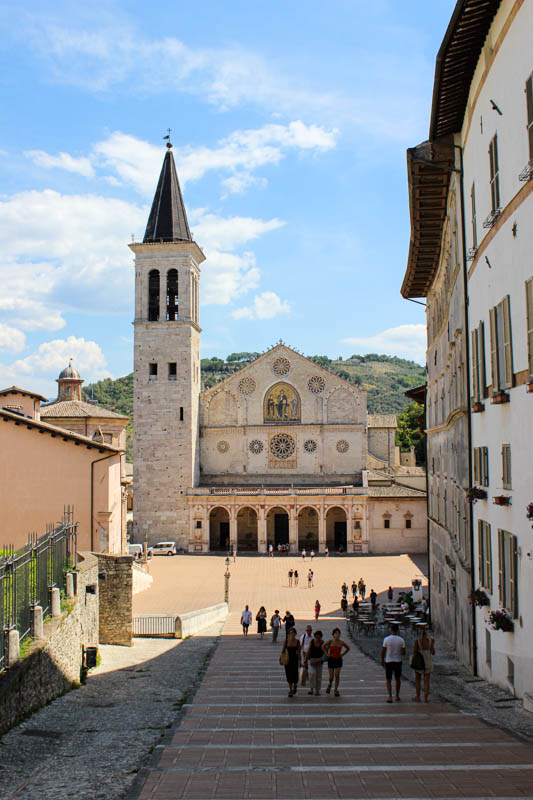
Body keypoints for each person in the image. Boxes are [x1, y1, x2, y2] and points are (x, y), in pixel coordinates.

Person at [381, 623, 406, 703]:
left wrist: (382, 659)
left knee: (388, 679)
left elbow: (383, 651)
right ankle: (397, 696)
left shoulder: (386, 639)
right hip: (398, 661)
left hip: (389, 661)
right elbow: (403, 652)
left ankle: (390, 696)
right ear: (397, 630)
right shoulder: (401, 640)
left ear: (391, 630)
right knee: (398, 679)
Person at [323, 627, 350, 696]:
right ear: (333, 634)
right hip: (331, 659)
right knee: (331, 677)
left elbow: (348, 648)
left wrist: (342, 654)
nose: (337, 635)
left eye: (338, 633)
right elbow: (323, 646)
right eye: (336, 633)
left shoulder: (341, 642)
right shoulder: (330, 642)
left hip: (338, 660)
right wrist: (326, 654)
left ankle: (335, 689)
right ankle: (329, 684)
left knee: (337, 675)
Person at [412, 629, 435, 702]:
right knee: (427, 681)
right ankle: (425, 698)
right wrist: (432, 645)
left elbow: (415, 652)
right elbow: (433, 652)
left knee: (418, 680)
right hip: (428, 661)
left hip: (419, 662)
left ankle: (418, 696)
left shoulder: (417, 641)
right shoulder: (430, 641)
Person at [281, 627, 301, 696]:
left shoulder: (297, 641)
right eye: (291, 632)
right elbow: (283, 650)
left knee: (295, 674)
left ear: (295, 633)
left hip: (294, 660)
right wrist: (281, 658)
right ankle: (290, 690)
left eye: (293, 632)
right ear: (289, 634)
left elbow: (299, 652)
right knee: (289, 674)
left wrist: (300, 661)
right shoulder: (286, 641)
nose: (292, 634)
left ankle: (295, 685)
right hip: (288, 660)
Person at [304, 630, 324, 695]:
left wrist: (322, 659)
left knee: (318, 676)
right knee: (312, 674)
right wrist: (305, 659)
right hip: (312, 660)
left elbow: (325, 652)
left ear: (321, 637)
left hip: (319, 660)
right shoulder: (312, 641)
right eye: (316, 637)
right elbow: (308, 650)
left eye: (319, 638)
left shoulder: (322, 642)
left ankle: (317, 690)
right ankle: (311, 689)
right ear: (315, 637)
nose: (318, 639)